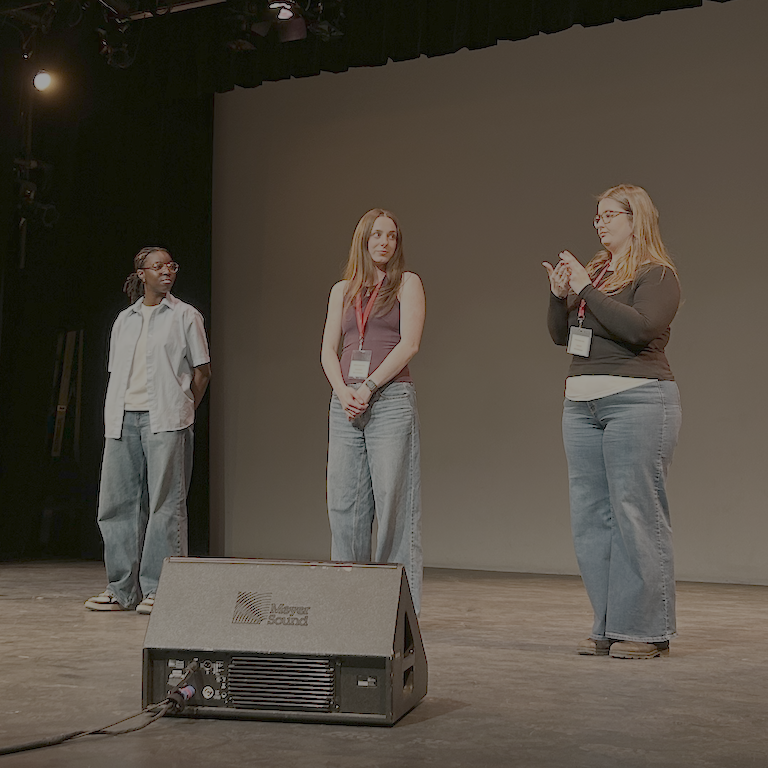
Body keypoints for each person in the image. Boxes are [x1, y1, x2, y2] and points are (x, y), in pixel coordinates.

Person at [543, 184, 682, 659]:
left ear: (635, 218)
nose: (599, 223)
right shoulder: (597, 273)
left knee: (635, 514)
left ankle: (644, 630)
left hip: (637, 400)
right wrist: (559, 296)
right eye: (597, 215)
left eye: (609, 215)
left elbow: (639, 328)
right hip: (581, 403)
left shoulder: (657, 274)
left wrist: (582, 288)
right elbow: (564, 336)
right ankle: (608, 624)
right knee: (590, 519)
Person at [85, 246, 211, 614]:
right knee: (115, 506)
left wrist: (185, 407)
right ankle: (120, 588)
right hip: (123, 418)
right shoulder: (124, 320)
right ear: (141, 274)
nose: (166, 272)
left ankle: (160, 589)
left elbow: (202, 371)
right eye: (157, 267)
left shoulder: (186, 315)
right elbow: (117, 374)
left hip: (167, 419)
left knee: (165, 506)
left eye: (170, 265)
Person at [321, 209, 426, 614]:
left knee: (393, 503)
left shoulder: (407, 284)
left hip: (389, 401)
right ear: (362, 241)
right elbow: (328, 350)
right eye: (377, 235)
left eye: (392, 237)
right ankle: (348, 607)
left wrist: (367, 386)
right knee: (344, 507)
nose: (385, 242)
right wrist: (342, 391)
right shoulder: (342, 290)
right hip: (345, 404)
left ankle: (397, 612)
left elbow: (409, 344)